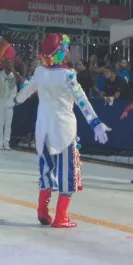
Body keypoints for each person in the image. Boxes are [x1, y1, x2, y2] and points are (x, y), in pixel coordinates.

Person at [15, 33, 110, 228]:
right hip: (63, 129)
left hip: (43, 129)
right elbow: (81, 100)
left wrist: (15, 99)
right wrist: (95, 123)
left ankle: (42, 211)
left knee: (46, 170)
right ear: (62, 52)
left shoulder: (40, 72)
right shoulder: (68, 75)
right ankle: (61, 216)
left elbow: (24, 94)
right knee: (67, 172)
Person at [0, 58, 19, 150]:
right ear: (4, 65)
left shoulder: (15, 75)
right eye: (8, 63)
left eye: (11, 63)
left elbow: (22, 81)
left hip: (10, 103)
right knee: (0, 123)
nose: (10, 65)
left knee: (8, 124)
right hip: (0, 102)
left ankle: (6, 143)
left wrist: (14, 72)